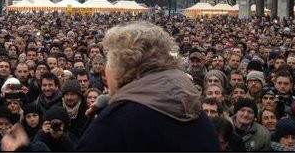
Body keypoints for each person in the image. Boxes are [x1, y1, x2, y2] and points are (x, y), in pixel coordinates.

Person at [77, 23, 219, 151]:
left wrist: (115, 110)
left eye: (109, 59)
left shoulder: (115, 123)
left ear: (123, 66)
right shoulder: (194, 109)